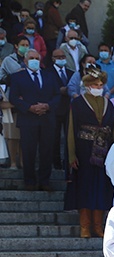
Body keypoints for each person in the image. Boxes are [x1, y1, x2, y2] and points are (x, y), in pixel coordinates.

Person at [67, 67, 114, 237]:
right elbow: (71, 129)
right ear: (88, 85)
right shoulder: (77, 103)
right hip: (84, 151)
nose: (98, 87)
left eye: (101, 85)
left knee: (101, 188)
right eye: (95, 85)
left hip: (104, 152)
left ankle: (98, 225)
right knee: (84, 187)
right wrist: (71, 154)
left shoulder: (109, 104)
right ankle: (85, 225)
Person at [9, 48, 59, 191]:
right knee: (28, 151)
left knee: (47, 151)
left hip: (47, 118)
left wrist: (47, 106)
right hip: (28, 119)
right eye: (31, 59)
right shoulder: (17, 77)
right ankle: (29, 181)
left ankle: (45, 181)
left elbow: (57, 95)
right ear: (25, 61)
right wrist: (28, 107)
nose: (34, 61)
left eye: (37, 58)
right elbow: (13, 97)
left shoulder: (49, 75)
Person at [0, 35, 30, 171]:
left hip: (25, 99)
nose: (25, 47)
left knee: (23, 134)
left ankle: (23, 162)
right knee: (12, 134)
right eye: (23, 44)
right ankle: (13, 162)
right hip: (9, 99)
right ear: (16, 46)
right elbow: (20, 74)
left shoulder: (30, 59)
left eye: (27, 45)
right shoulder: (9, 60)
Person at [50, 48, 73, 170]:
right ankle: (56, 161)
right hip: (54, 109)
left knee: (69, 137)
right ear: (53, 58)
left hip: (69, 108)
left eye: (63, 57)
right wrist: (59, 91)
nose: (61, 59)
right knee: (55, 137)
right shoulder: (48, 72)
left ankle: (68, 161)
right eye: (58, 57)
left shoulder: (71, 73)